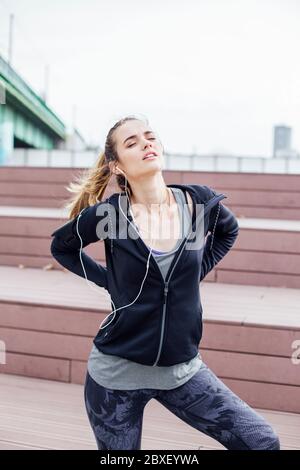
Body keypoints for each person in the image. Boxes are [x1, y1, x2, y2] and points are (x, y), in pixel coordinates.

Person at [50, 114, 280, 451]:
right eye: (131, 142)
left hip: (182, 372)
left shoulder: (197, 205)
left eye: (149, 136)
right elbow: (62, 247)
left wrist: (194, 273)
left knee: (262, 442)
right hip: (115, 377)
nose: (145, 143)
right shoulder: (111, 217)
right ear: (116, 167)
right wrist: (107, 281)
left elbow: (229, 231)